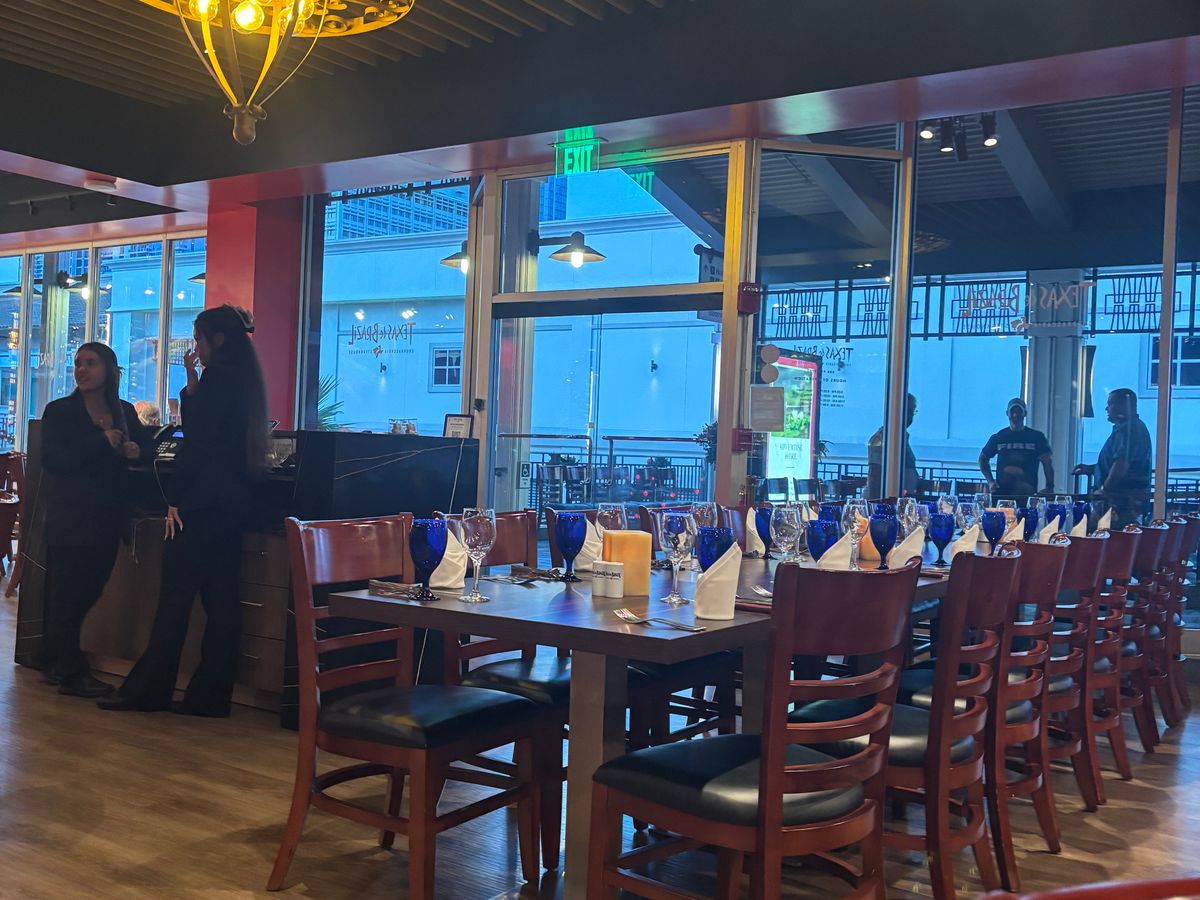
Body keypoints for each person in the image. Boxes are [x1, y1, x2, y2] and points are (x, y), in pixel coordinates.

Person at [100, 305, 268, 716]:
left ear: (217, 339)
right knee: (222, 601)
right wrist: (192, 387)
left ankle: (149, 690)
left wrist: (174, 498)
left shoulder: (218, 380)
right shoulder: (244, 380)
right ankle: (210, 695)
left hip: (200, 503)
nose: (196, 347)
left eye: (198, 339)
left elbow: (197, 446)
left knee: (174, 599)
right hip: (231, 505)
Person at [39, 343, 151, 697]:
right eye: (78, 363)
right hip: (70, 517)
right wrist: (100, 441)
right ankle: (72, 672)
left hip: (107, 518)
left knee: (90, 589)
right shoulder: (60, 411)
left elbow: (146, 449)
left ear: (109, 371)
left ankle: (55, 659)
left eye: (90, 363)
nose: (81, 370)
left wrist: (135, 451)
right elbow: (55, 460)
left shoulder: (124, 411)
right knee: (67, 595)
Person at [1072, 388, 1152, 529]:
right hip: (1125, 499)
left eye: (1111, 404)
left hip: (1120, 500)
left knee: (1101, 534)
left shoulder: (1127, 430)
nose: (1106, 408)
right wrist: (1093, 468)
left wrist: (1104, 490)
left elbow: (1121, 465)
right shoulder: (1135, 427)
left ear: (1125, 405)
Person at [978, 397, 1054, 498]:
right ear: (1007, 413)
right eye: (1012, 411)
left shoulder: (1036, 437)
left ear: (1025, 413)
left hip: (1027, 494)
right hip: (1002, 495)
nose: (1015, 415)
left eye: (1019, 411)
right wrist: (990, 481)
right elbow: (983, 458)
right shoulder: (999, 437)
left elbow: (1047, 461)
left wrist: (1049, 486)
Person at [867, 393, 919, 498]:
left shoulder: (900, 437)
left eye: (912, 412)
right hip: (889, 499)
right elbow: (875, 476)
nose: (910, 417)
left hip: (903, 497)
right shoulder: (882, 439)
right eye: (909, 411)